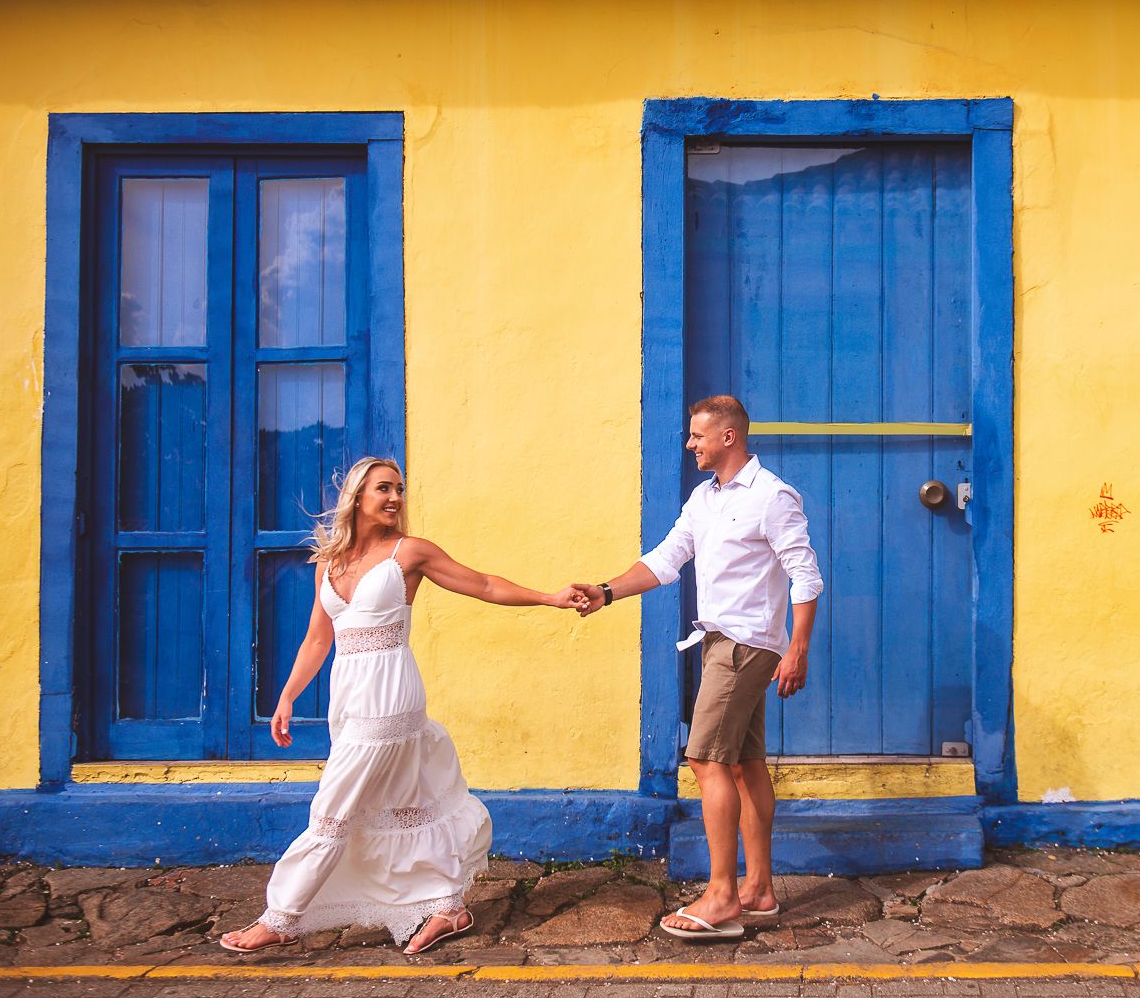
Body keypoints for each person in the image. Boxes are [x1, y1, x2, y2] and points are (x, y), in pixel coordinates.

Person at [219, 456, 577, 955]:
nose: (394, 498)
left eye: (400, 489)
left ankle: (282, 916)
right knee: (403, 805)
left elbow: (483, 584)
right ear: (357, 497)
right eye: (383, 488)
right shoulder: (329, 561)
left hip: (390, 694)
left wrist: (549, 598)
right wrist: (286, 696)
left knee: (332, 808)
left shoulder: (409, 553)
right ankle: (449, 909)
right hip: (348, 698)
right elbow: (317, 639)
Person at [569, 395, 822, 940]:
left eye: (697, 436)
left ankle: (722, 895)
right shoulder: (704, 499)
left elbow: (806, 575)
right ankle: (757, 889)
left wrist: (797, 648)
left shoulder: (772, 497)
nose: (690, 445)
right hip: (718, 644)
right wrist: (607, 591)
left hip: (746, 646)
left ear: (728, 437)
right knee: (743, 764)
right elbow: (665, 559)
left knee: (705, 759)